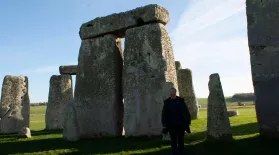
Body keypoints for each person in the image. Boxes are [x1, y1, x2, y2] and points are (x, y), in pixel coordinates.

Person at [161, 87, 191, 155]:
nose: (172, 93)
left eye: (173, 92)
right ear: (170, 93)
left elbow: (186, 112)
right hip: (172, 126)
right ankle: (174, 153)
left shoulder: (181, 101)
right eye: (171, 92)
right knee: (173, 141)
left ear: (175, 92)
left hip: (181, 125)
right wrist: (164, 124)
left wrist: (188, 122)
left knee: (181, 140)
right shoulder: (167, 102)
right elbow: (164, 114)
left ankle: (182, 152)